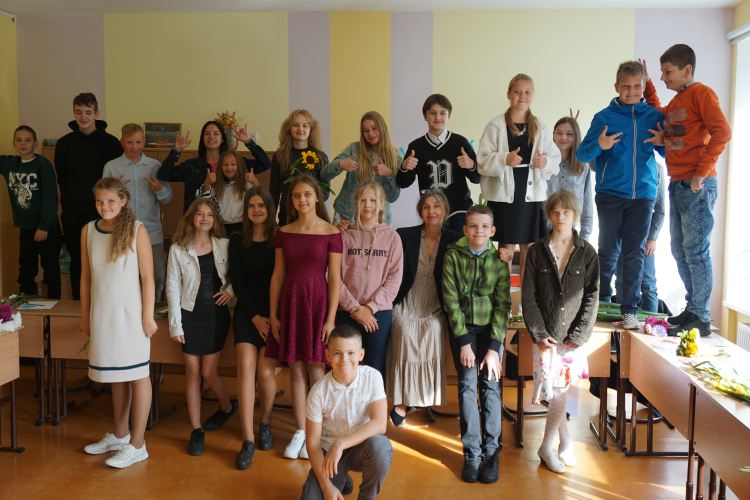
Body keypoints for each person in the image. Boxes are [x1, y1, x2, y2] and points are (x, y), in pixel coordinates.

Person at [642, 44, 732, 336]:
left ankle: (701, 316)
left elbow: (722, 132)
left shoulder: (701, 94)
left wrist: (701, 172)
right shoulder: (677, 102)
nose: (664, 77)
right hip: (677, 182)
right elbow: (660, 114)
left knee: (696, 251)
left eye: (668, 72)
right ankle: (694, 309)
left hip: (696, 184)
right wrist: (648, 84)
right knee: (680, 250)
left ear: (687, 70)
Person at [577, 60, 664, 330]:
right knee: (607, 253)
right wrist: (599, 144)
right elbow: (582, 154)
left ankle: (629, 311)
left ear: (644, 87)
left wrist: (663, 143)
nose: (631, 91)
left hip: (643, 196)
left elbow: (668, 153)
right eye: (626, 86)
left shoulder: (653, 116)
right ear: (616, 87)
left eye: (637, 86)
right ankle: (599, 303)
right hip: (610, 195)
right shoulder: (604, 117)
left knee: (635, 255)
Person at [521, 189, 599, 474]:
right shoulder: (536, 251)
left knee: (560, 390)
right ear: (549, 215)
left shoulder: (587, 253)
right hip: (546, 338)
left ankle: (551, 444)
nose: (560, 216)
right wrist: (539, 333)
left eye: (566, 212)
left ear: (575, 214)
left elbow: (592, 296)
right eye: (555, 212)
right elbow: (528, 296)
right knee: (556, 392)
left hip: (572, 340)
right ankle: (558, 444)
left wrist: (579, 336)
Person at [80, 177, 155, 468]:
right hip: (103, 314)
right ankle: (120, 435)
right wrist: (85, 314)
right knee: (116, 374)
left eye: (111, 201)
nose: (105, 206)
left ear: (123, 201)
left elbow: (148, 278)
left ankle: (138, 444)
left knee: (137, 375)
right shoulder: (88, 230)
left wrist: (147, 317)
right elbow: (86, 277)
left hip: (131, 316)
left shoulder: (137, 230)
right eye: (99, 201)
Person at [267, 175, 342, 460]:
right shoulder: (284, 232)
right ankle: (300, 430)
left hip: (318, 303)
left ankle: (317, 432)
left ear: (317, 197)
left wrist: (330, 319)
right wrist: (273, 315)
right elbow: (277, 275)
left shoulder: (332, 232)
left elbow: (335, 279)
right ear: (291, 200)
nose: (302, 200)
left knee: (317, 369)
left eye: (308, 194)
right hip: (291, 303)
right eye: (297, 195)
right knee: (296, 368)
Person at [442, 204, 510, 484]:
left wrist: (494, 347)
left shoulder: (499, 261)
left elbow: (503, 306)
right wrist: (464, 342)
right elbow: (451, 300)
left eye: (484, 226)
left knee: (490, 387)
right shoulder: (452, 256)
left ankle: (491, 453)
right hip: (464, 333)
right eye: (473, 226)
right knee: (468, 387)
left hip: (491, 333)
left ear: (492, 231)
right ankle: (472, 453)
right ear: (465, 229)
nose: (478, 231)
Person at [166, 198, 237, 456]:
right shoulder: (178, 249)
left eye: (209, 214)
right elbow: (172, 288)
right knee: (192, 372)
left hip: (216, 315)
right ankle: (196, 429)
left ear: (215, 219)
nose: (205, 218)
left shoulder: (224, 244)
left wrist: (230, 291)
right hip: (190, 316)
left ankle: (227, 407)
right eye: (200, 214)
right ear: (191, 217)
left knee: (208, 372)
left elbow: (238, 275)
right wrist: (176, 325)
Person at [477, 74, 560, 281]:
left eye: (527, 92)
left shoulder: (540, 126)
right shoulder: (495, 125)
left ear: (533, 95)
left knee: (529, 248)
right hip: (504, 195)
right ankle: (503, 295)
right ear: (508, 94)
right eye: (517, 92)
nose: (522, 96)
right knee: (506, 248)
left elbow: (555, 158)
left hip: (531, 195)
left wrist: (544, 162)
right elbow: (482, 160)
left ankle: (525, 297)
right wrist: (504, 159)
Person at [388, 190, 459, 426]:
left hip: (436, 301)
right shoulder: (404, 235)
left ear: (444, 210)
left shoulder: (455, 239)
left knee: (433, 328)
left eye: (436, 206)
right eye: (426, 207)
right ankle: (404, 399)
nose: (431, 211)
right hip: (407, 298)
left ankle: (421, 396)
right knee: (402, 328)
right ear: (420, 211)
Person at [300, 325, 391, 500]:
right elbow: (312, 443)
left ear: (361, 355)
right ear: (327, 356)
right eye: (337, 353)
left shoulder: (373, 377)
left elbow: (380, 424)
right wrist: (327, 487)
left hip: (362, 448)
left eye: (351, 353)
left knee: (380, 447)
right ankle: (340, 479)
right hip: (330, 454)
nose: (344, 359)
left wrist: (341, 443)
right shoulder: (318, 392)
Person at [228, 187, 279, 470]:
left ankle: (265, 422)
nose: (256, 210)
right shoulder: (238, 239)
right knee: (246, 370)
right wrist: (255, 317)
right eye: (251, 206)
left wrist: (271, 317)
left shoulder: (280, 237)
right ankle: (247, 439)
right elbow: (237, 281)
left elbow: (283, 279)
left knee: (265, 372)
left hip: (274, 314)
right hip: (248, 314)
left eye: (261, 205)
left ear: (270, 209)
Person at [55, 92, 123, 299]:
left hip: (103, 213)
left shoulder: (111, 143)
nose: (83, 117)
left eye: (88, 112)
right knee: (77, 260)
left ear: (96, 113)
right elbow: (62, 178)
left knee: (104, 259)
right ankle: (79, 303)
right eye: (79, 112)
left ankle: (104, 301)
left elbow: (115, 180)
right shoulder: (64, 143)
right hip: (73, 212)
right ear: (74, 113)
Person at [337, 182, 403, 381]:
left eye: (373, 200)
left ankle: (375, 403)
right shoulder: (344, 235)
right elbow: (334, 277)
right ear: (355, 203)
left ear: (381, 205)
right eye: (362, 200)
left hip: (378, 312)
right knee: (345, 367)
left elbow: (394, 279)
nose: (367, 205)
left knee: (374, 367)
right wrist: (355, 308)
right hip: (347, 311)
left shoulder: (392, 238)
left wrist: (370, 308)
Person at [103, 123, 172, 299]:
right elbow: (103, 203)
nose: (134, 147)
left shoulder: (155, 166)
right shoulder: (111, 167)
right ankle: (129, 310)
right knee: (123, 277)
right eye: (129, 142)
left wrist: (159, 189)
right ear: (122, 142)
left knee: (157, 275)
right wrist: (115, 191)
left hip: (151, 232)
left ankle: (152, 310)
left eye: (138, 142)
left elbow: (167, 199)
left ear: (144, 142)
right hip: (121, 231)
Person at [396, 94, 480, 234]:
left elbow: (477, 178)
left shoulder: (460, 143)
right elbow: (403, 183)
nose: (438, 117)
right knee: (435, 246)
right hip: (431, 210)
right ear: (425, 116)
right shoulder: (416, 147)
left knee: (457, 243)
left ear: (449, 115)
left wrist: (471, 165)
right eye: (433, 113)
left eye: (442, 113)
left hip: (459, 208)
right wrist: (404, 167)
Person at [0, 125, 62, 298]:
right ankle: (27, 309)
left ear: (35, 143)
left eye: (28, 140)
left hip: (47, 228)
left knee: (51, 271)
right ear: (13, 143)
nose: (23, 143)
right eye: (19, 140)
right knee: (26, 272)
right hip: (26, 228)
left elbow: (50, 197)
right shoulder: (9, 164)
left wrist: (43, 226)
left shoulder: (43, 165)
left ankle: (54, 309)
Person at [157, 120, 270, 212]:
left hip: (227, 222)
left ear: (222, 139)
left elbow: (265, 163)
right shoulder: (191, 165)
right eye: (207, 134)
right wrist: (176, 151)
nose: (211, 136)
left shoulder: (235, 163)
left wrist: (248, 141)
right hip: (196, 221)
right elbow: (163, 174)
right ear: (203, 139)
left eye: (216, 133)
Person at [321, 111, 401, 227]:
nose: (371, 134)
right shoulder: (354, 149)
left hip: (377, 220)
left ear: (382, 128)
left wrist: (389, 174)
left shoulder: (395, 156)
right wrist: (340, 164)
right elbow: (324, 174)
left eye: (374, 128)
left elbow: (393, 197)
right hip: (346, 216)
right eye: (366, 130)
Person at [615, 163, 666, 313]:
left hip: (644, 238)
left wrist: (652, 237)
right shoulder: (623, 163)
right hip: (621, 236)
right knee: (621, 281)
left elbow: (660, 208)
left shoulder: (657, 168)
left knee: (647, 284)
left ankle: (651, 323)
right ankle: (622, 321)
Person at [270, 109, 330, 224]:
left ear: (311, 129)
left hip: (313, 217)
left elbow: (325, 193)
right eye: (295, 125)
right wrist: (271, 218)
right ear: (289, 128)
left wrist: (306, 203)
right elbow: (274, 191)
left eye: (305, 125)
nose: (300, 129)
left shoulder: (321, 157)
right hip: (287, 216)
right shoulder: (279, 156)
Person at [547, 116, 593, 241]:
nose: (563, 137)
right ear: (553, 135)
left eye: (569, 134)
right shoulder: (544, 163)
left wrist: (585, 237)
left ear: (576, 137)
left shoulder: (583, 166)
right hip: (543, 235)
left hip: (571, 236)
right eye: (559, 133)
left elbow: (587, 204)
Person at [198, 150, 258, 235]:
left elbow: (261, 199)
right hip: (220, 228)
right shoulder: (216, 185)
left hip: (242, 228)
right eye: (225, 164)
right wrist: (207, 184)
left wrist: (255, 182)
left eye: (233, 164)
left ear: (239, 166)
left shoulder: (247, 184)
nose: (229, 168)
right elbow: (202, 203)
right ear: (220, 167)